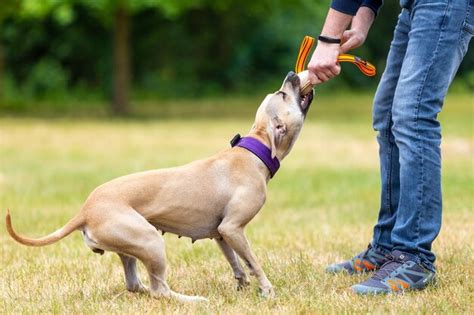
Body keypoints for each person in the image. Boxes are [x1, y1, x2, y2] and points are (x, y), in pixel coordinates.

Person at [307, 0, 472, 294]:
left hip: (444, 5)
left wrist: (329, 38)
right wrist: (364, 14)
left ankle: (414, 257)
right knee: (387, 115)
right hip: (416, 6)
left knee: (414, 114)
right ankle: (387, 247)